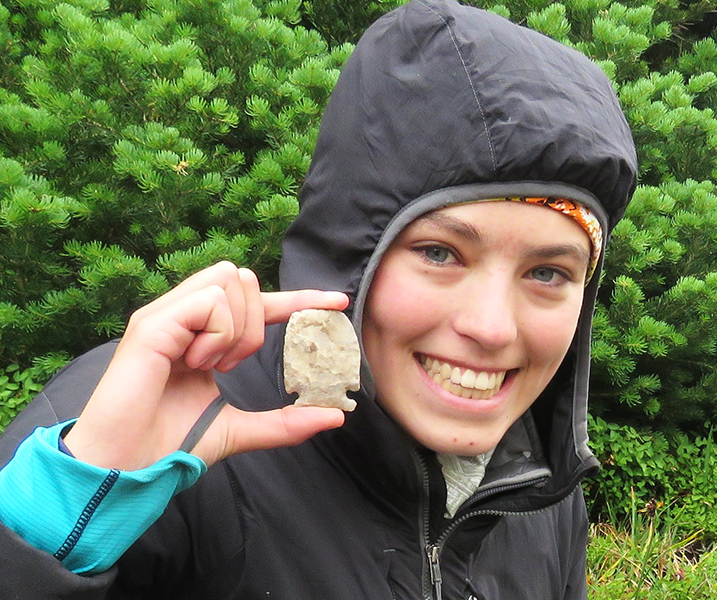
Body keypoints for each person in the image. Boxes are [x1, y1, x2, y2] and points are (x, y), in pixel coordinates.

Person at [0, 0, 637, 597]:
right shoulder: (136, 429)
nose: (493, 327)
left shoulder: (535, 484)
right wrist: (62, 521)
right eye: (439, 253)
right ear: (351, 251)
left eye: (549, 273)